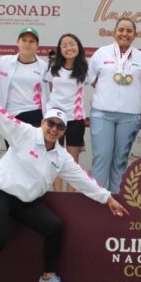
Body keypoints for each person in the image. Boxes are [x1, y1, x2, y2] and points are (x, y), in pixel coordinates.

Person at [0, 81, 129, 282]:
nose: (54, 129)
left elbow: (82, 179)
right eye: (51, 123)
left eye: (59, 126)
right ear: (42, 122)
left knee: (54, 227)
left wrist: (107, 199)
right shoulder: (25, 133)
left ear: (64, 131)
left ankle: (47, 277)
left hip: (25, 201)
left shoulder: (61, 156)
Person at [87, 17, 141, 193]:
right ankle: (97, 201)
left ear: (135, 35)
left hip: (130, 116)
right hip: (102, 114)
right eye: (121, 30)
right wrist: (107, 91)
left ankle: (117, 201)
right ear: (114, 32)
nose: (125, 34)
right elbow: (93, 80)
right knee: (102, 157)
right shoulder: (101, 53)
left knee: (120, 160)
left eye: (129, 31)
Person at [45, 33, 89, 192]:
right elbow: (46, 89)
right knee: (55, 158)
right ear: (60, 49)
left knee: (72, 161)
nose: (69, 48)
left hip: (75, 119)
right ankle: (58, 195)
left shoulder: (85, 68)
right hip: (55, 119)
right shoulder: (52, 67)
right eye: (64, 45)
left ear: (78, 47)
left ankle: (71, 197)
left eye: (72, 44)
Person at [0, 27, 49, 129]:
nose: (27, 44)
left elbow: (47, 94)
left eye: (31, 41)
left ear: (37, 45)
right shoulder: (4, 62)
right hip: (11, 116)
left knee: (34, 145)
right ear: (17, 42)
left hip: (35, 115)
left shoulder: (44, 67)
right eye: (23, 40)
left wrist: (47, 116)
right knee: (12, 146)